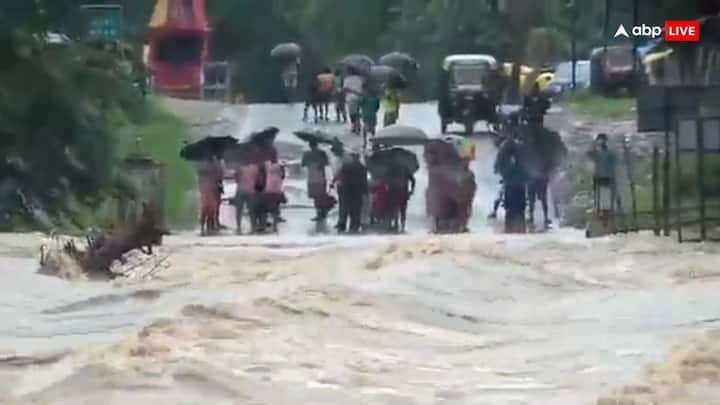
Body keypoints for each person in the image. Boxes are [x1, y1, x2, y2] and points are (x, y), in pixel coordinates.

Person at [336, 152, 368, 233]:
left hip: (346, 190)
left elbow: (339, 175)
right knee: (355, 210)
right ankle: (354, 227)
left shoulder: (346, 165)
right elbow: (364, 181)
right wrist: (365, 191)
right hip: (356, 191)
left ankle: (342, 226)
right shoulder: (361, 167)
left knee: (344, 209)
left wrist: (334, 183)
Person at [587, 133, 619, 214]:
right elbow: (589, 153)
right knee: (599, 194)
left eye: (602, 140)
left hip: (606, 176)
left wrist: (595, 143)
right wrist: (594, 143)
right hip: (602, 176)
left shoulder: (609, 152)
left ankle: (607, 209)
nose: (602, 142)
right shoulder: (599, 152)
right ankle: (600, 209)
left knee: (605, 194)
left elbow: (615, 162)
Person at [301, 140, 330, 221]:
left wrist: (309, 160)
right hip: (321, 177)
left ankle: (319, 214)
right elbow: (327, 163)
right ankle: (323, 213)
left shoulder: (306, 154)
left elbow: (303, 164)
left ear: (309, 145)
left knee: (316, 198)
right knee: (321, 196)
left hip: (312, 177)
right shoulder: (322, 153)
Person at [233, 160, 260, 234]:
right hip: (250, 191)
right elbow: (258, 180)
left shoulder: (239, 168)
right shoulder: (255, 168)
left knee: (239, 210)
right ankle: (253, 228)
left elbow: (236, 178)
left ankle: (239, 228)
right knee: (251, 210)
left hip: (241, 190)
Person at [262, 160, 287, 232]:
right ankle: (275, 226)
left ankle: (265, 223)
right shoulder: (280, 167)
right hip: (277, 190)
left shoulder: (267, 165)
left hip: (268, 189)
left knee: (267, 207)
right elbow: (283, 176)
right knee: (276, 207)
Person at [343, 67, 364, 134]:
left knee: (352, 114)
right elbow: (363, 87)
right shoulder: (360, 78)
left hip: (351, 98)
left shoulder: (346, 79)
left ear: (349, 72)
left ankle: (355, 127)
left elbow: (345, 89)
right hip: (359, 97)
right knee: (357, 112)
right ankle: (357, 125)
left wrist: (352, 91)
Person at [360, 82, 380, 148]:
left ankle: (365, 143)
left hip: (366, 115)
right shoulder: (376, 98)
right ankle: (375, 142)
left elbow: (360, 104)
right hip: (373, 115)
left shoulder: (364, 97)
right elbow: (377, 107)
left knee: (365, 129)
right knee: (373, 130)